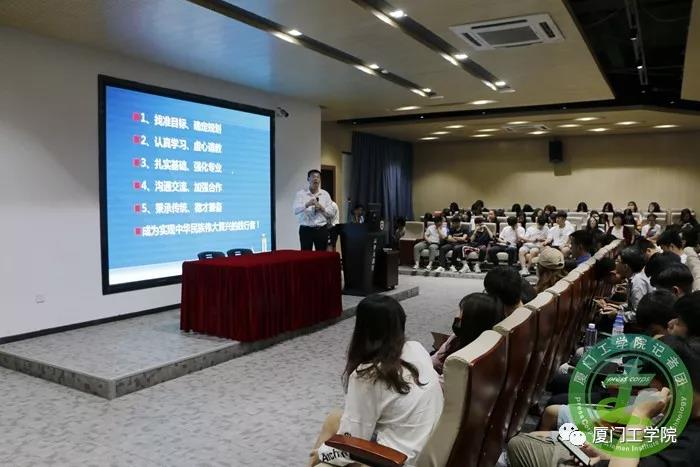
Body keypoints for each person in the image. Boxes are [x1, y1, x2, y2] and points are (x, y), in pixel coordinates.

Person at [507, 335, 700, 467]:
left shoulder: (689, 445)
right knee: (538, 436)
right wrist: (604, 453)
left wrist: (640, 415)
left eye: (656, 389)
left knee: (520, 444)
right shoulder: (682, 418)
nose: (656, 394)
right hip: (611, 454)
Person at [310, 295, 443, 467]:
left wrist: (321, 454)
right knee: (333, 419)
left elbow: (349, 447)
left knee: (323, 461)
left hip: (394, 460)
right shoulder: (417, 349)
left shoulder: (368, 375)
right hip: (424, 447)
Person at [431, 293, 504, 379]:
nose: (456, 315)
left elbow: (442, 382)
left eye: (461, 310)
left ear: (471, 319)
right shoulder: (458, 338)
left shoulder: (464, 360)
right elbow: (435, 359)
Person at [293, 169, 338, 251]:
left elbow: (331, 213)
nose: (316, 179)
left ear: (320, 180)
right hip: (306, 230)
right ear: (308, 179)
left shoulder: (325, 194)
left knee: (321, 255)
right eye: (313, 177)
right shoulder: (301, 194)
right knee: (306, 256)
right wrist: (307, 204)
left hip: (321, 229)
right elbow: (295, 210)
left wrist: (321, 208)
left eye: (318, 177)